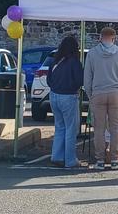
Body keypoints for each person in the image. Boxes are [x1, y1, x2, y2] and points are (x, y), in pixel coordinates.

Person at [84, 27, 118, 170]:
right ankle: (115, 159)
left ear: (100, 37)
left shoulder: (92, 54)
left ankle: (100, 160)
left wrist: (90, 93)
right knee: (115, 128)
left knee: (99, 128)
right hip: (115, 92)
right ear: (114, 38)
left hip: (98, 93)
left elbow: (87, 77)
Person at [47, 36, 84, 168]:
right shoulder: (74, 62)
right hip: (68, 96)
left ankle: (56, 156)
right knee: (71, 129)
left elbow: (48, 80)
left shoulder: (55, 61)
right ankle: (70, 160)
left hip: (54, 95)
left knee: (60, 127)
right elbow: (80, 80)